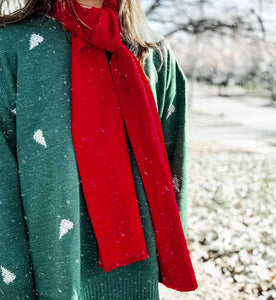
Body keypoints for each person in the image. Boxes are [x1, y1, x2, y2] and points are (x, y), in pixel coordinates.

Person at [0, 0, 198, 299]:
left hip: (138, 283)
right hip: (47, 279)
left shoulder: (156, 54)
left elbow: (173, 176)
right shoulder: (10, 49)